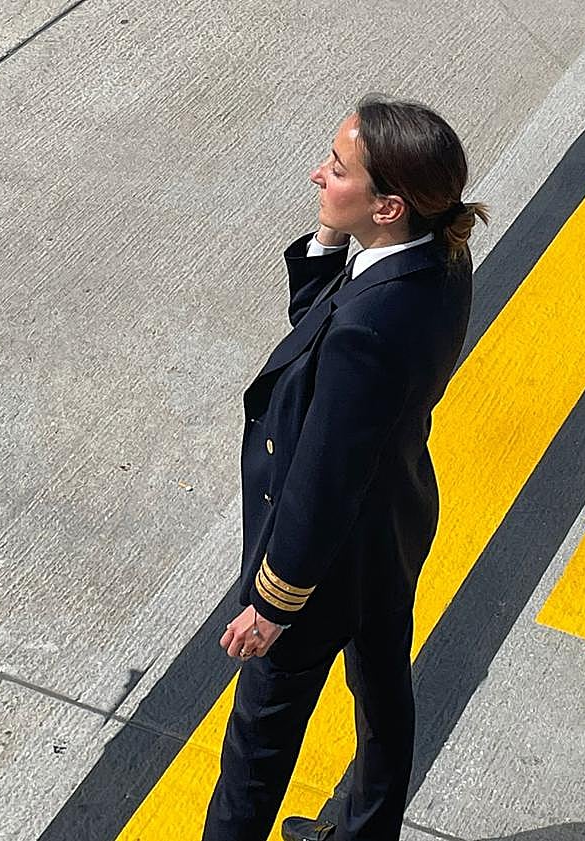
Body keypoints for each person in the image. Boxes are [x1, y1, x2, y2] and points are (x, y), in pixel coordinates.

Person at [200, 93, 489, 841]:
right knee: (383, 691)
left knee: (256, 746)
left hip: (319, 567)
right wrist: (331, 234)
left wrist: (273, 601)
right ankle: (368, 830)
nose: (317, 173)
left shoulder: (369, 328)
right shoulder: (435, 253)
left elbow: (322, 478)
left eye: (336, 168)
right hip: (391, 531)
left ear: (387, 204)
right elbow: (318, 319)